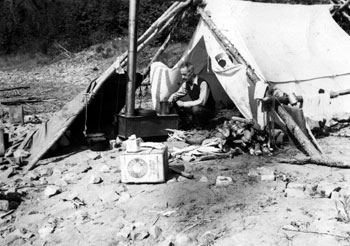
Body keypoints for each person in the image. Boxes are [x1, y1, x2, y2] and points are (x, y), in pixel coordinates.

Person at [168, 62, 217, 129]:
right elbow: (179, 93)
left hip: (208, 110)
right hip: (197, 108)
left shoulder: (202, 83)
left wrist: (183, 104)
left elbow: (201, 102)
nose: (182, 77)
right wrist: (172, 97)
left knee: (196, 109)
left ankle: (202, 127)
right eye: (181, 75)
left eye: (184, 75)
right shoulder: (186, 84)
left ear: (191, 73)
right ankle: (185, 124)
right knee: (174, 103)